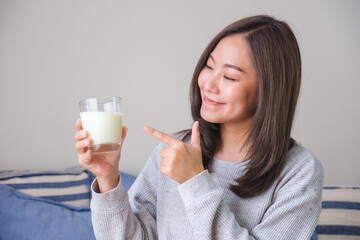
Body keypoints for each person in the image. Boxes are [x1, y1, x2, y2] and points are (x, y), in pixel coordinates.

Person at [74, 15, 323, 239]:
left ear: (268, 91)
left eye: (230, 77)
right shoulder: (174, 149)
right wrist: (108, 178)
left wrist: (195, 181)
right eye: (209, 66)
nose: (208, 84)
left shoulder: (300, 170)